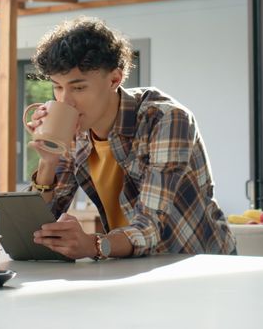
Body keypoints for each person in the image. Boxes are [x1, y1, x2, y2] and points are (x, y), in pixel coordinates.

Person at [25, 16, 236, 260]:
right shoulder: (77, 130)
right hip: (134, 268)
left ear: (115, 79)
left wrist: (94, 245)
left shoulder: (166, 119)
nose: (65, 101)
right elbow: (38, 226)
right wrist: (47, 161)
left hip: (200, 267)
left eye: (78, 88)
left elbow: (150, 227)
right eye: (58, 87)